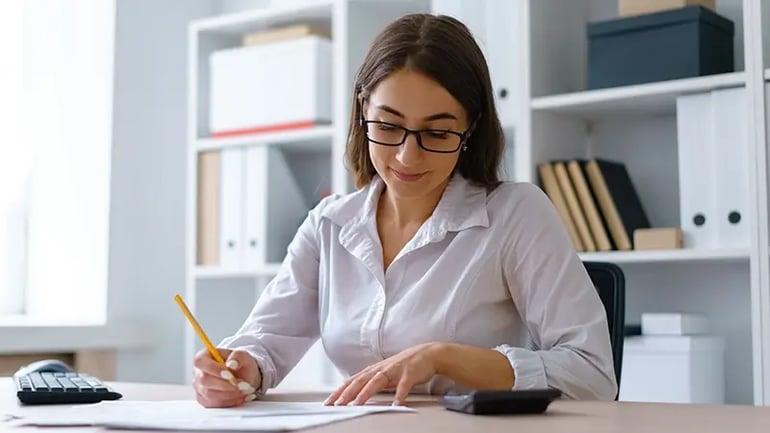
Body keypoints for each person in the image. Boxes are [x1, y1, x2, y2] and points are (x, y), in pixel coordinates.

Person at [192, 13, 617, 408]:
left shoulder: (515, 214)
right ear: (363, 112)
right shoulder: (328, 224)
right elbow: (266, 339)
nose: (407, 156)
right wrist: (240, 369)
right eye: (389, 126)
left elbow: (592, 375)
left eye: (436, 132)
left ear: (470, 129)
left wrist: (443, 358)